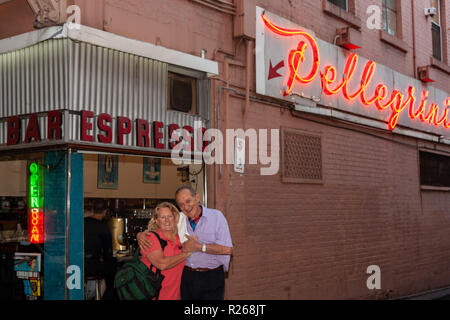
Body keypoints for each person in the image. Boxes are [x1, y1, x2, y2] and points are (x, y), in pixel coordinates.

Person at [137, 186, 233, 300]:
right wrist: (140, 235)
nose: (186, 207)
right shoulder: (180, 220)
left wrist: (199, 247)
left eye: (188, 201)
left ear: (197, 198)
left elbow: (227, 250)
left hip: (211, 276)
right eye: (181, 204)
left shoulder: (216, 217)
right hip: (186, 277)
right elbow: (160, 228)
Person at [140, 202, 192, 300]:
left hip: (175, 296)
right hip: (156, 296)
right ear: (156, 220)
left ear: (175, 218)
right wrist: (186, 253)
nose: (167, 220)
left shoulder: (178, 237)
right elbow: (161, 264)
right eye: (162, 217)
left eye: (170, 216)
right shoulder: (150, 237)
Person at [84, 199, 117, 300]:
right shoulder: (103, 227)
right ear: (105, 211)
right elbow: (108, 252)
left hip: (79, 263)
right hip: (93, 266)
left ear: (93, 209)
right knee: (112, 269)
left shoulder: (83, 222)